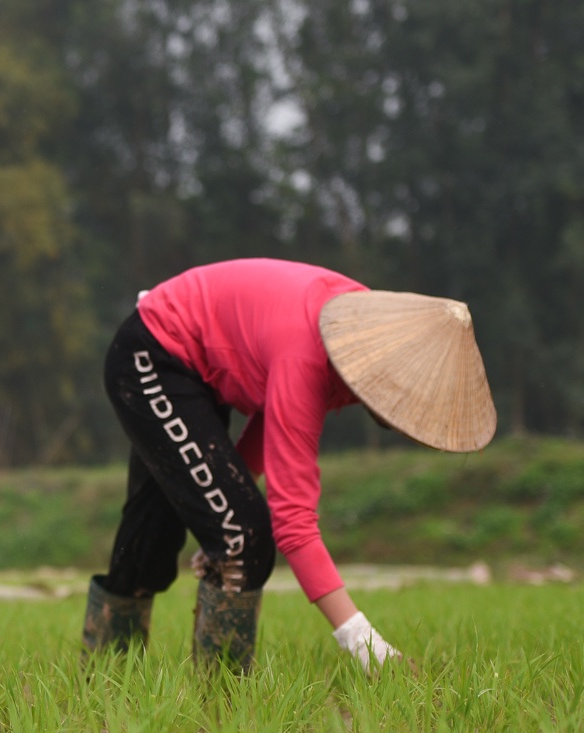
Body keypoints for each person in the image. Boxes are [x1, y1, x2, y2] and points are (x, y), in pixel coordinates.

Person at [82, 258, 496, 673]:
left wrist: (219, 508)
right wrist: (365, 646)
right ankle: (220, 704)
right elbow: (293, 521)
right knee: (242, 537)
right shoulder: (316, 351)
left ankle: (104, 679)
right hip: (153, 355)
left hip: (197, 371)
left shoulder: (359, 338)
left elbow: (273, 413)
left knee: (158, 534)